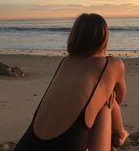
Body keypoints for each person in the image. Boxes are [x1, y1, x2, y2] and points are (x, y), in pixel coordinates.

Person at [14, 13, 129, 151]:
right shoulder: (111, 65)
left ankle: (119, 132)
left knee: (101, 95)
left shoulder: (66, 62)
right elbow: (120, 98)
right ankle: (120, 133)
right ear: (104, 38)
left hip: (26, 146)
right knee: (107, 98)